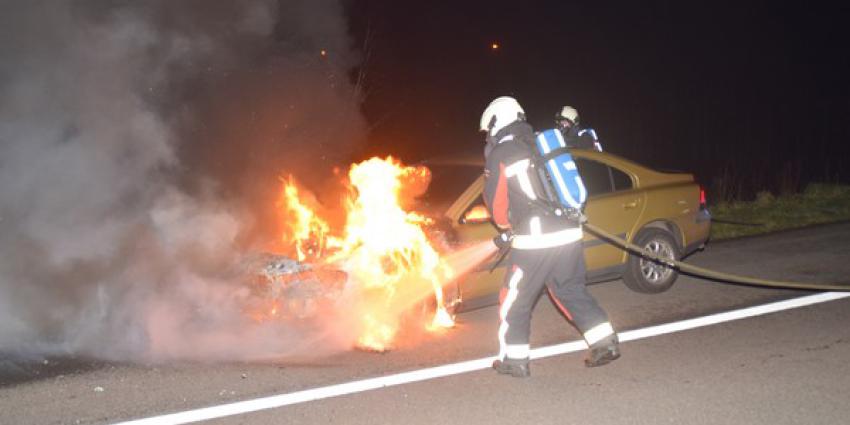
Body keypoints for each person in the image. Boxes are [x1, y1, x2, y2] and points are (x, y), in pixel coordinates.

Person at [479, 96, 620, 377]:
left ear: (496, 122)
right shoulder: (542, 142)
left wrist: (509, 226)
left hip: (535, 240)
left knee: (514, 298)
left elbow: (497, 207)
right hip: (569, 233)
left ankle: (514, 359)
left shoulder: (502, 153)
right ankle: (604, 342)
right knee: (569, 289)